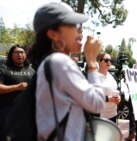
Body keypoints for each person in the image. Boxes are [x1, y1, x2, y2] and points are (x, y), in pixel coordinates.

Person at [28, 2, 106, 141]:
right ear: (53, 34)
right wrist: (92, 62)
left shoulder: (51, 62)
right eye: (73, 24)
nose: (80, 30)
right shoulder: (60, 62)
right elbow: (97, 104)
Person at [0, 44, 35, 139]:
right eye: (16, 52)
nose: (20, 55)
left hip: (26, 114)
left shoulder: (31, 70)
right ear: (11, 55)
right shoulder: (4, 69)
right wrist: (17, 87)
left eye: (22, 52)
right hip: (7, 112)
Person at [97, 53, 121, 123]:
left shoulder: (113, 77)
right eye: (106, 60)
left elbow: (117, 90)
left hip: (113, 114)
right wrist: (107, 99)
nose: (109, 62)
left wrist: (119, 97)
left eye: (110, 60)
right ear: (99, 61)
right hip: (99, 116)